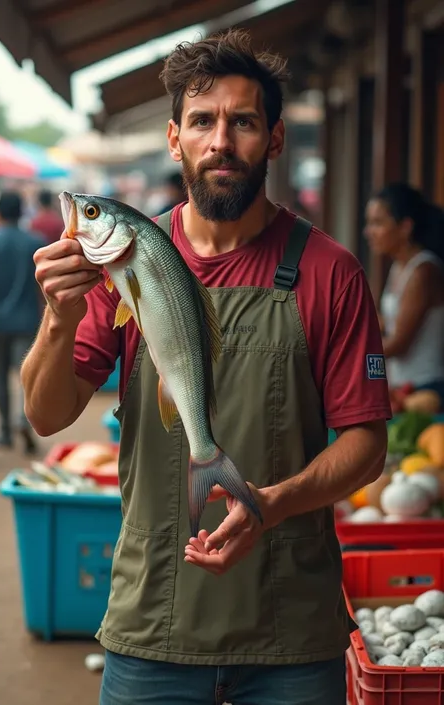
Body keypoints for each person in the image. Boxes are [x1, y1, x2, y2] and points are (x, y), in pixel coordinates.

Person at [22, 29, 390, 705]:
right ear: (174, 138)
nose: (221, 141)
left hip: (291, 635)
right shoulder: (122, 259)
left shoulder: (329, 271)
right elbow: (46, 414)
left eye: (243, 121)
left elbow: (368, 445)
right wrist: (58, 316)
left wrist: (269, 503)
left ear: (275, 139)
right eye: (202, 121)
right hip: (151, 622)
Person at [0, 191, 46, 453]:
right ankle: (24, 421)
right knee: (27, 376)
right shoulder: (35, 241)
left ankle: (4, 430)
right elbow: (44, 285)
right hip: (28, 320)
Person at [365, 182, 444, 410]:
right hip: (404, 388)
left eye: (377, 223)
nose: (368, 231)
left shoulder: (423, 271)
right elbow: (391, 323)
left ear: (405, 227)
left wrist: (351, 355)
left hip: (427, 390)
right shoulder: (400, 267)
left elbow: (399, 343)